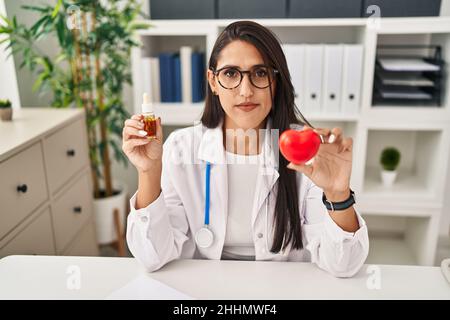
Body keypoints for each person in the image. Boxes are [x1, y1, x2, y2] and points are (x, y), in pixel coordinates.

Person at [122, 21, 369, 277]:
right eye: (230, 73)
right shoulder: (181, 147)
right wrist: (149, 172)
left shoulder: (306, 150)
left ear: (276, 81)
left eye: (260, 73)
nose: (246, 91)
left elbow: (344, 265)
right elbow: (152, 257)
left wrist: (338, 194)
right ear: (213, 81)